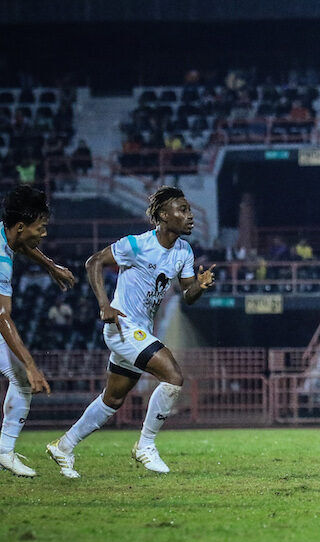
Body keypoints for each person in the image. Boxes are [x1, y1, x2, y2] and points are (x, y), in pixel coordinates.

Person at [45, 186, 214, 477]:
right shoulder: (136, 245)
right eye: (183, 210)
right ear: (163, 215)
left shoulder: (184, 251)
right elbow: (93, 262)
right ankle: (145, 445)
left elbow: (187, 295)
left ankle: (64, 446)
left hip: (140, 332)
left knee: (112, 399)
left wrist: (199, 286)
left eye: (189, 210)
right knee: (173, 376)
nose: (190, 216)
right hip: (122, 327)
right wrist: (104, 305)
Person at [0, 185, 76, 477]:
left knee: (19, 382)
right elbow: (3, 317)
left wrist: (50, 266)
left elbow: (22, 246)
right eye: (40, 228)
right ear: (21, 226)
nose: (44, 234)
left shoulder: (8, 235)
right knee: (23, 375)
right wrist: (32, 366)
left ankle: (5, 452)